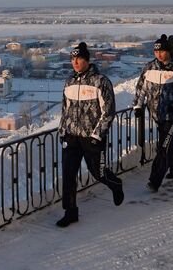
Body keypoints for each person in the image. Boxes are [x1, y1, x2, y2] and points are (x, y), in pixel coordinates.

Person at [57, 42, 124, 227]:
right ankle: (70, 212)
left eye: (79, 58)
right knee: (68, 175)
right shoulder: (69, 81)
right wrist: (63, 131)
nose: (75, 62)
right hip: (71, 137)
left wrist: (97, 135)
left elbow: (108, 111)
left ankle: (116, 184)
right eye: (73, 59)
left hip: (92, 138)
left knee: (98, 172)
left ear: (87, 60)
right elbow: (65, 109)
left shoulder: (100, 81)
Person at [133, 35, 173, 192]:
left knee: (164, 147)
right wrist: (138, 106)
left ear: (168, 51)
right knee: (169, 144)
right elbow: (141, 88)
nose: (158, 54)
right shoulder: (149, 68)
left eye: (161, 51)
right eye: (156, 51)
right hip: (157, 114)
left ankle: (154, 181)